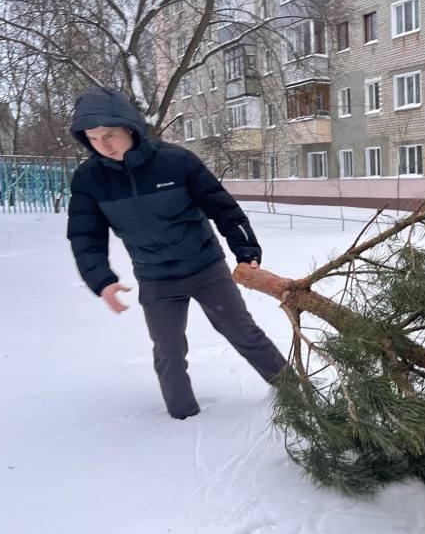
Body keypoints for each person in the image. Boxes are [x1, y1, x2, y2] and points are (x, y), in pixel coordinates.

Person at [66, 86, 286, 419]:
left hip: (205, 268)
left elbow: (222, 207)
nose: (103, 145)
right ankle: (182, 420)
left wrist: (245, 251)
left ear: (129, 127)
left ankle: (296, 393)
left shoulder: (174, 161)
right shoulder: (90, 179)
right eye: (93, 138)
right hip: (156, 278)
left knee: (244, 332)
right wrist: (102, 280)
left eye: (109, 135)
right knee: (167, 351)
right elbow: (85, 236)